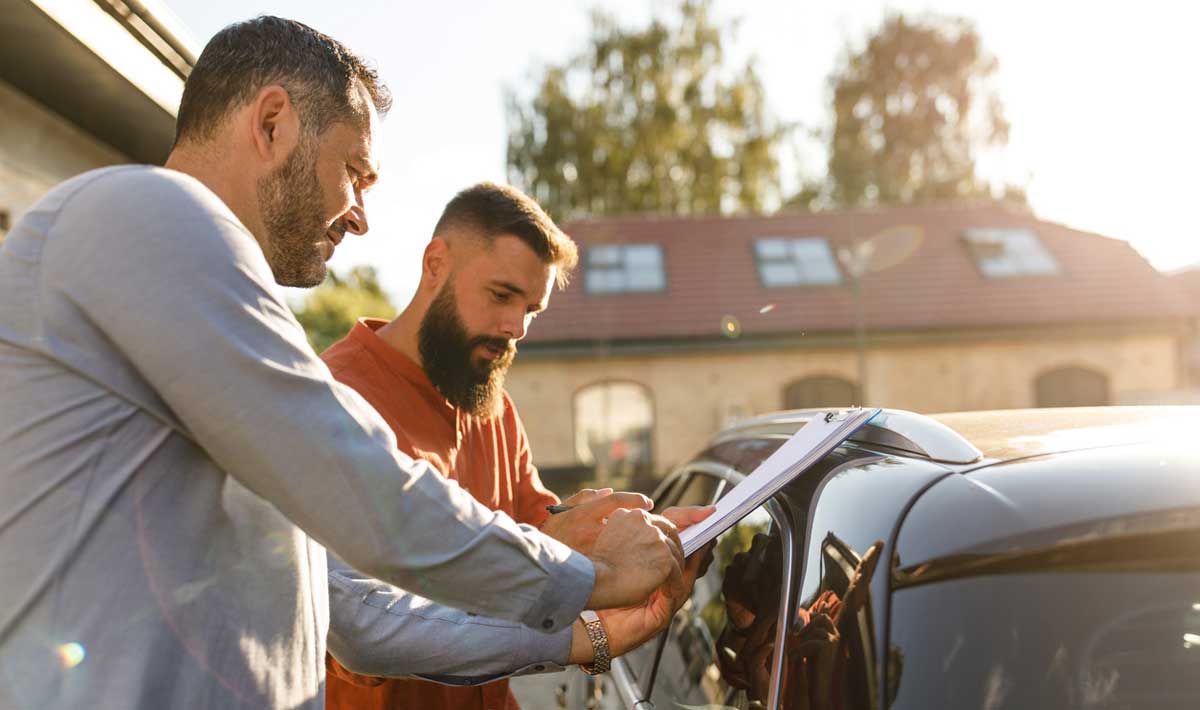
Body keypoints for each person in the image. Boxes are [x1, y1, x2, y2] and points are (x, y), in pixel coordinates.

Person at [0, 17, 683, 710]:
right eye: (354, 172)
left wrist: (580, 636)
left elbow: (355, 615)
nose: (360, 217)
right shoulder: (144, 212)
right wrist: (588, 575)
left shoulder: (204, 317)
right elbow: (364, 487)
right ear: (272, 124)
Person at [317, 182, 712, 710]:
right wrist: (572, 570)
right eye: (502, 296)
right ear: (435, 263)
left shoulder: (491, 402)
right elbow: (363, 623)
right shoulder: (335, 399)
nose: (515, 329)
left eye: (532, 309)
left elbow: (543, 526)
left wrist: (644, 538)